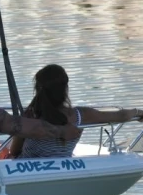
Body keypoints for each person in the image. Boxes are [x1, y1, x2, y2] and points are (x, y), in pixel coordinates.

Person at [9, 64, 143, 158]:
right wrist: (138, 112)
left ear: (38, 89)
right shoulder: (80, 115)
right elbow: (121, 115)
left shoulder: (30, 116)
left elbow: (14, 151)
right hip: (64, 166)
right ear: (65, 88)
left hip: (28, 169)